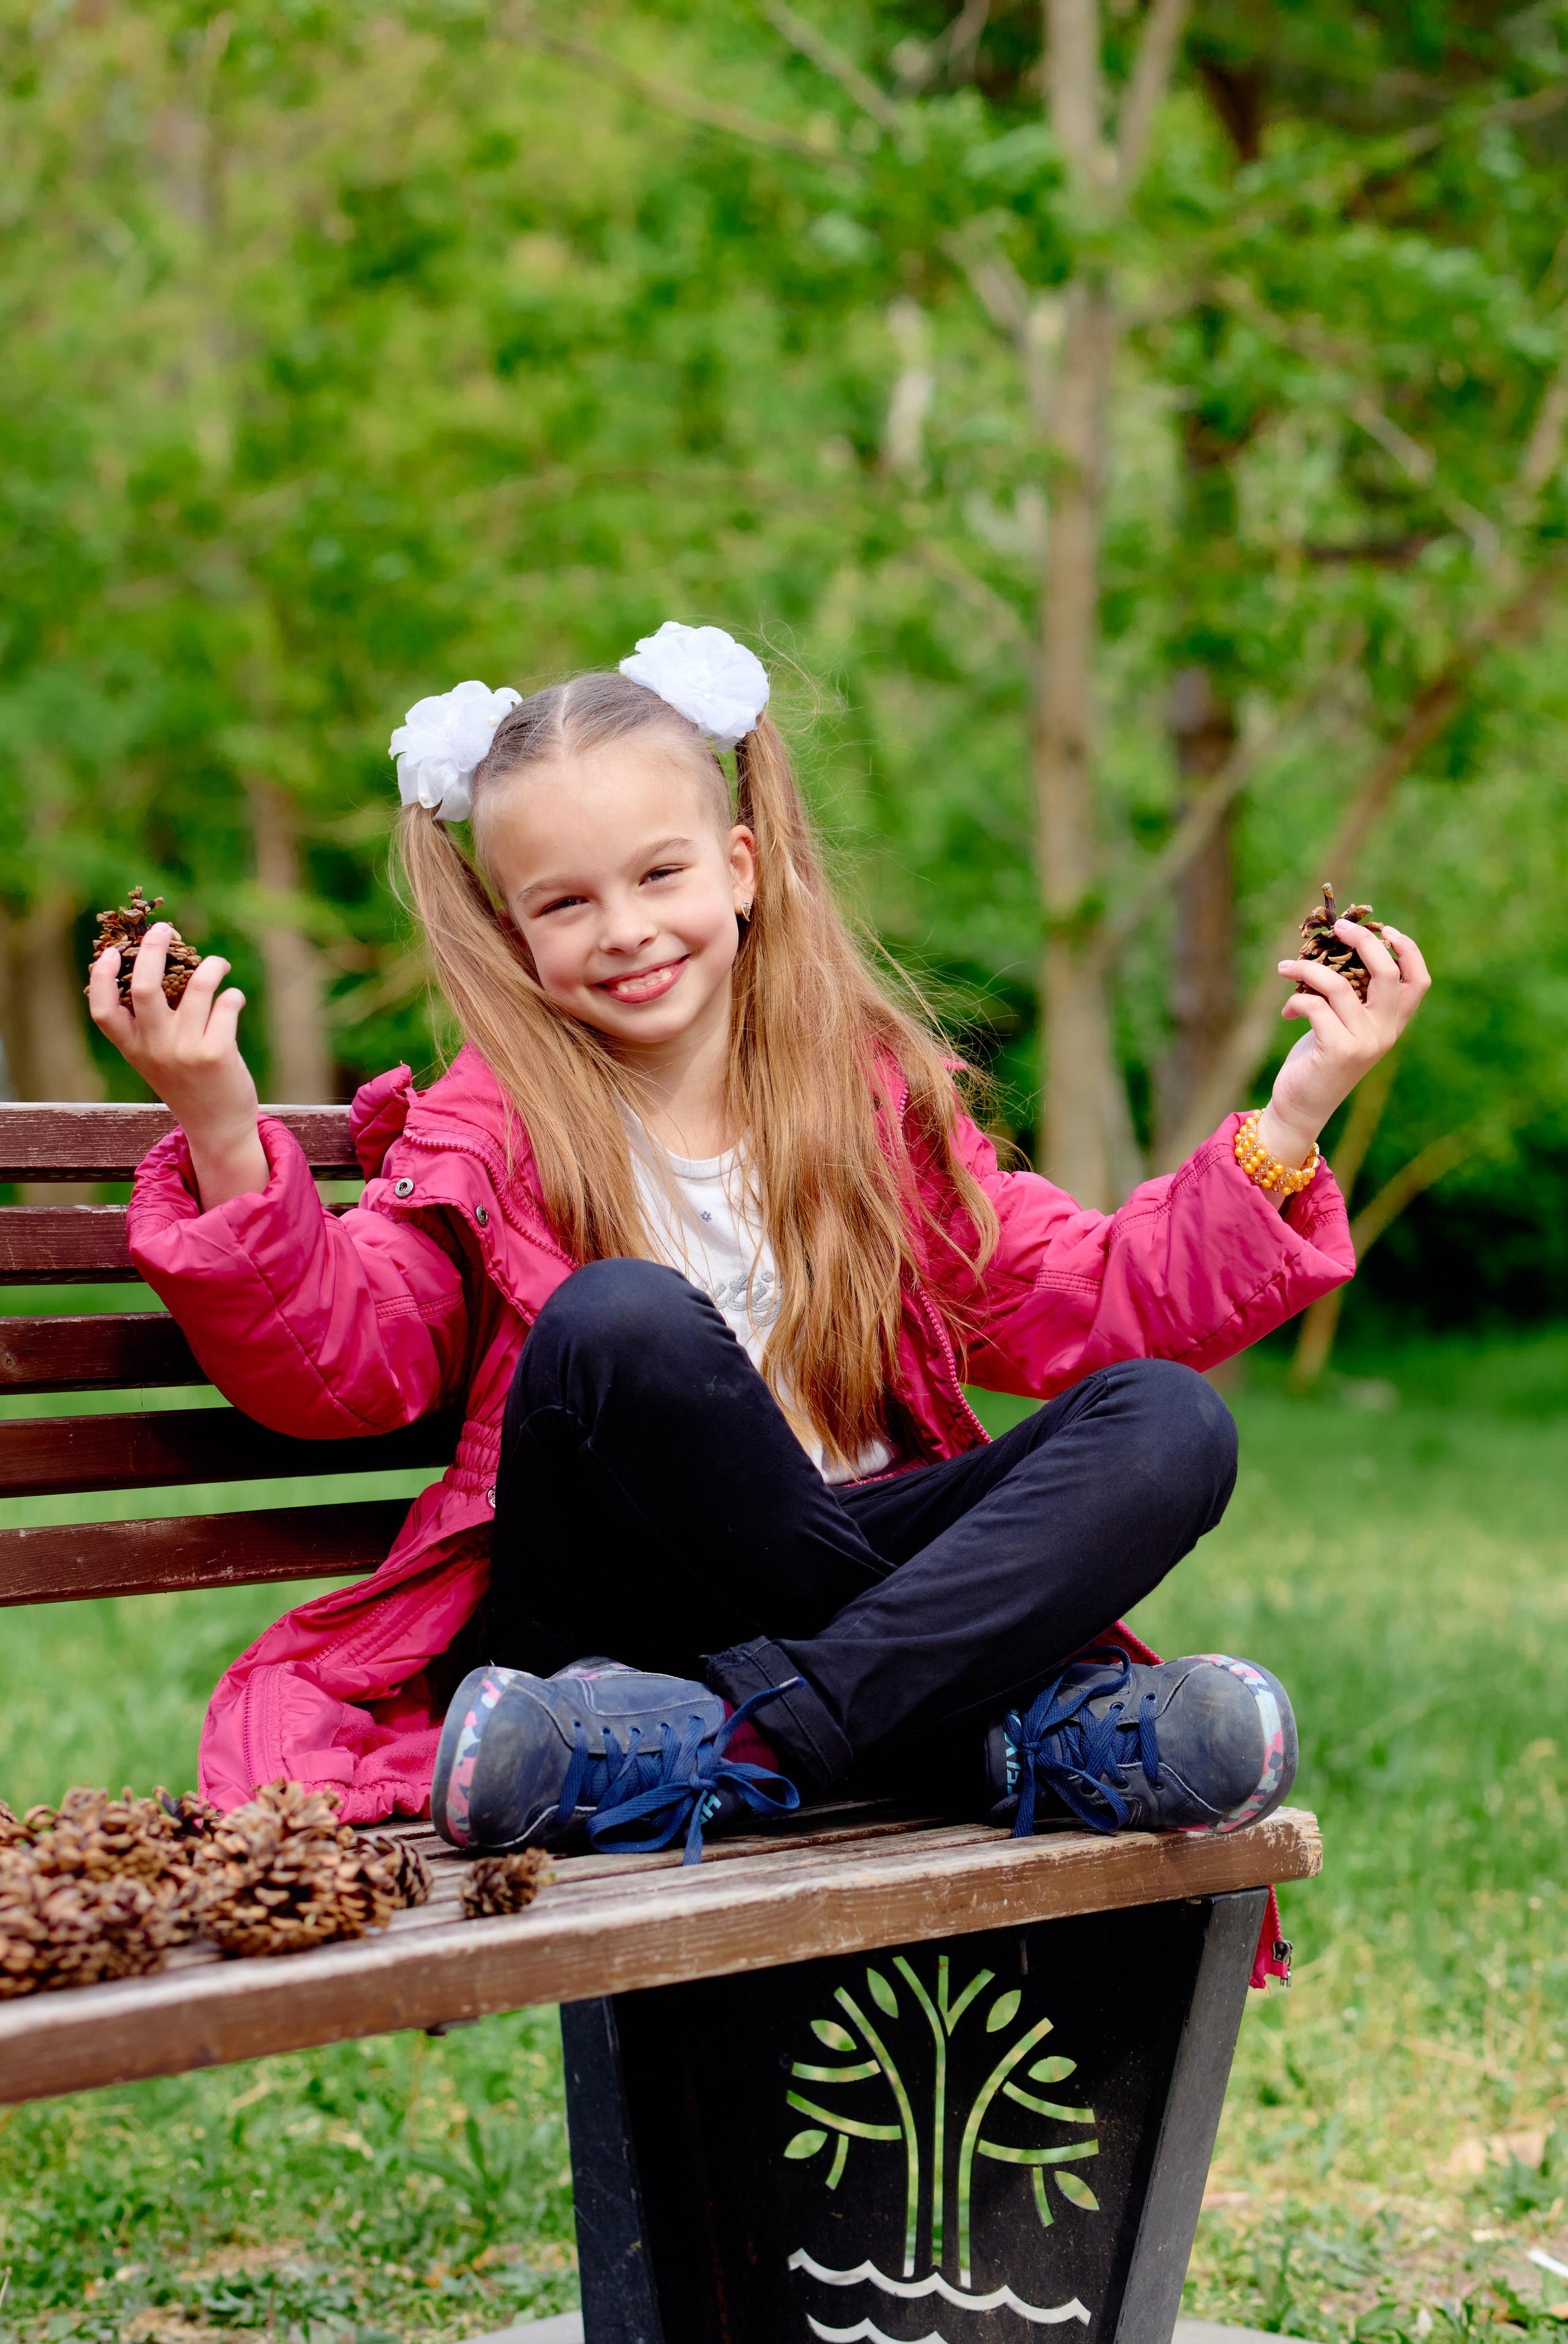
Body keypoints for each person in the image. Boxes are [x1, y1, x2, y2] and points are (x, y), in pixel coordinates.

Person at [91, 624, 1428, 1881]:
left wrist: (1296, 1108)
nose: (623, 929)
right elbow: (349, 1368)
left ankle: (734, 1750)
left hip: (799, 1621)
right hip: (612, 1635)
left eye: (659, 874)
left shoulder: (866, 1111)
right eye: (564, 903)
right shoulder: (480, 1138)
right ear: (513, 932)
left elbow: (1097, 1301)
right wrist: (218, 1120)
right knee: (621, 1323)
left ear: (736, 866)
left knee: (1167, 1424)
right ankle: (997, 1725)